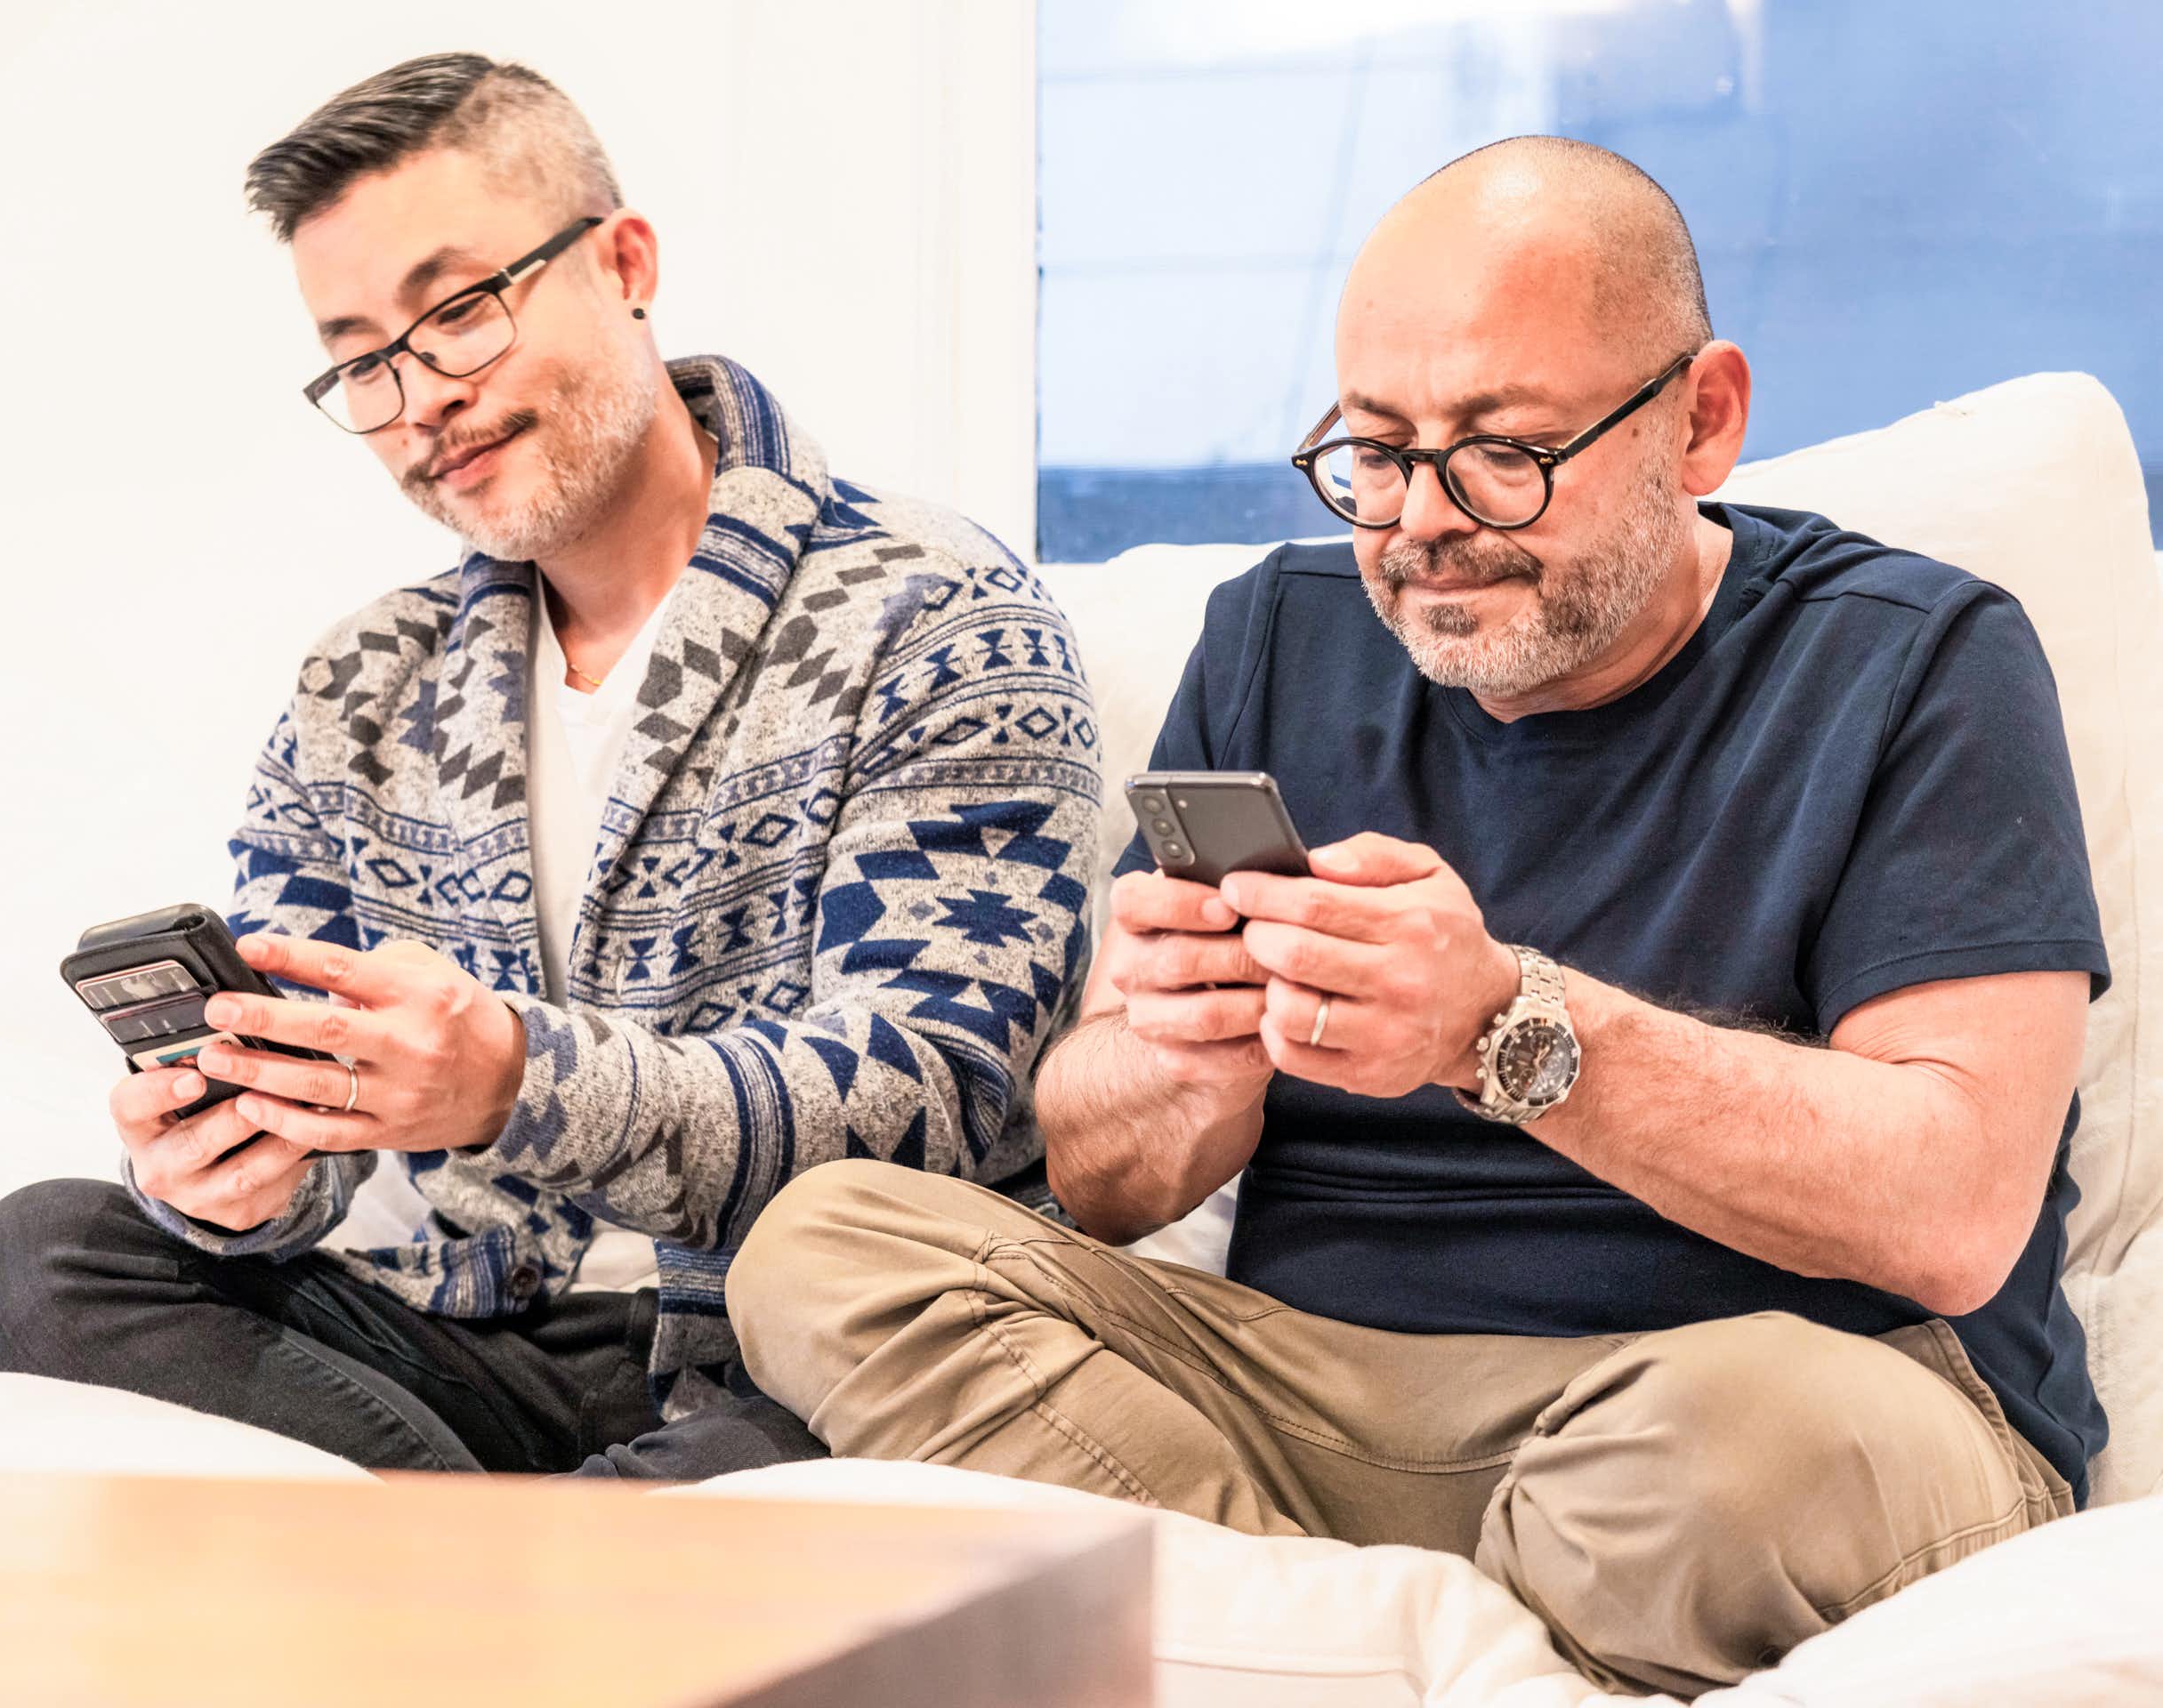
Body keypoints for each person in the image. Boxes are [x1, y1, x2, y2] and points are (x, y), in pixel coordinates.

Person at [727, 136, 2111, 1695]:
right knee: (824, 1246)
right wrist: (1183, 1065)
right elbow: (1110, 1188)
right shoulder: (1275, 637)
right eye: (1376, 452)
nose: (1421, 522)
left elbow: (1951, 1214)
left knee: (1722, 1456)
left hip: (1768, 1402)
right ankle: (1372, 1636)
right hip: (1318, 1396)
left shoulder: (1917, 660)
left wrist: (1502, 1026)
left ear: (1702, 420)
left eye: (1501, 448)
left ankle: (1274, 1628)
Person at [0, 52, 1099, 1478]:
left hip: (796, 1346)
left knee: (783, 1428)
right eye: (364, 358)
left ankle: (479, 1585)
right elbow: (320, 1140)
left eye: (460, 313)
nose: (419, 397)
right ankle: (517, 1580)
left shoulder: (932, 609)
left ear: (625, 262)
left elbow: (943, 1090)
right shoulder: (359, 683)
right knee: (39, 1256)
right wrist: (237, 1179)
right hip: (461, 1336)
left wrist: (519, 1084)